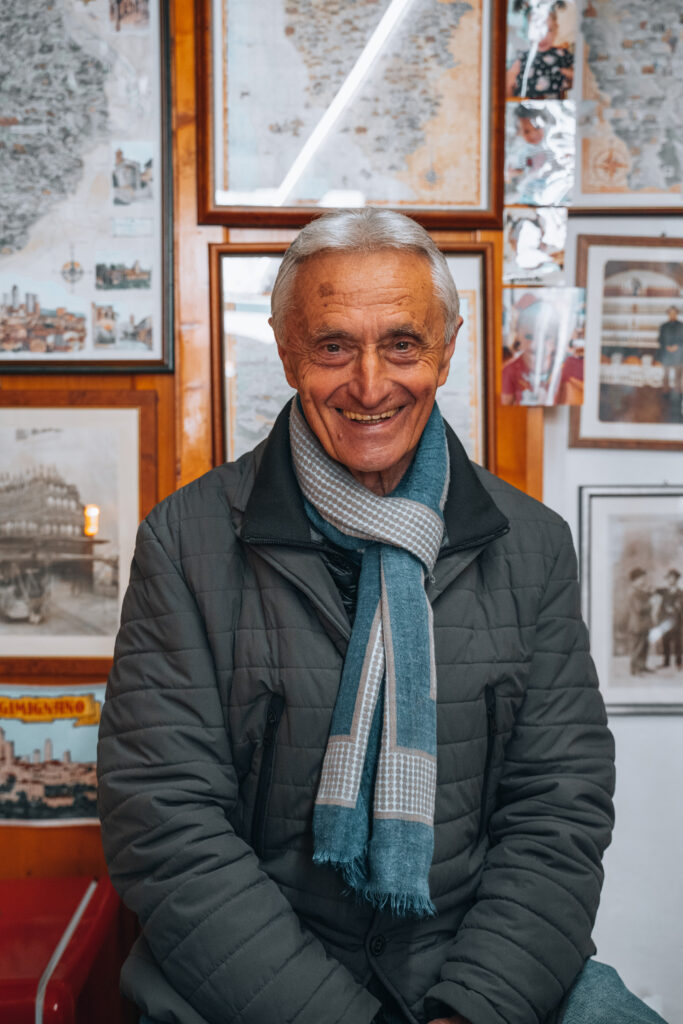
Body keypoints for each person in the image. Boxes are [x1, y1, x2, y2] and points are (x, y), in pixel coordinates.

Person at [98, 209, 664, 1024]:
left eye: (402, 343)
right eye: (333, 346)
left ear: (447, 345)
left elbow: (557, 811)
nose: (370, 385)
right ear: (287, 350)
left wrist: (469, 1009)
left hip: (476, 972)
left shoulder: (533, 546)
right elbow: (166, 825)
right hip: (252, 988)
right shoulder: (184, 543)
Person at [506, 1, 574, 99]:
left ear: (556, 29)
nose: (543, 36)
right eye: (536, 29)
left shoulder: (561, 54)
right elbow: (509, 82)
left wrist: (565, 72)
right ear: (527, 31)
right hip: (525, 105)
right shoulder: (522, 56)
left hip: (553, 107)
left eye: (549, 30)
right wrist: (509, 103)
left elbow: (580, 77)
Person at [626, 567, 653, 677]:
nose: (644, 581)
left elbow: (644, 599)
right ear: (634, 580)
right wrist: (651, 602)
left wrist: (649, 594)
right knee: (638, 648)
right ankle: (635, 670)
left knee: (645, 646)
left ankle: (642, 667)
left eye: (644, 578)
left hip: (644, 625)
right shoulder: (633, 592)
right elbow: (639, 608)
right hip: (637, 625)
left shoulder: (639, 591)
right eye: (641, 578)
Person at [655, 568, 683, 669]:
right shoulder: (663, 591)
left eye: (673, 578)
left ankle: (679, 663)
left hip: (676, 621)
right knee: (665, 641)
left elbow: (681, 608)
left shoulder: (681, 593)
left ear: (677, 580)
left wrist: (675, 609)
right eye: (669, 578)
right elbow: (651, 591)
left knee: (678, 643)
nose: (671, 580)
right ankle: (666, 662)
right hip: (665, 622)